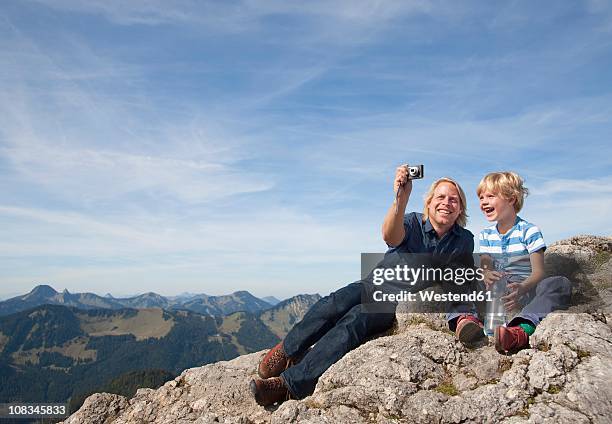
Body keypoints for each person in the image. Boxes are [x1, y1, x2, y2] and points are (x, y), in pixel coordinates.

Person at [249, 165, 475, 406]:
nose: (447, 203)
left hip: (395, 302)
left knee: (354, 321)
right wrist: (400, 200)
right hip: (373, 284)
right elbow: (390, 236)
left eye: (454, 199)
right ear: (429, 203)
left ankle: (289, 386)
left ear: (460, 208)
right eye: (441, 197)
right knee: (334, 303)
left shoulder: (463, 240)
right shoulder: (411, 221)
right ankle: (288, 351)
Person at [466, 171, 571, 353]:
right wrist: (486, 273)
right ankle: (469, 321)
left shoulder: (529, 231)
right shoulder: (486, 234)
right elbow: (485, 262)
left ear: (511, 199)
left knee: (559, 283)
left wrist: (523, 287)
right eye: (481, 197)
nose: (483, 202)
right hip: (498, 287)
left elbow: (538, 272)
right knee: (463, 275)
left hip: (525, 287)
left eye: (490, 196)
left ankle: (520, 330)